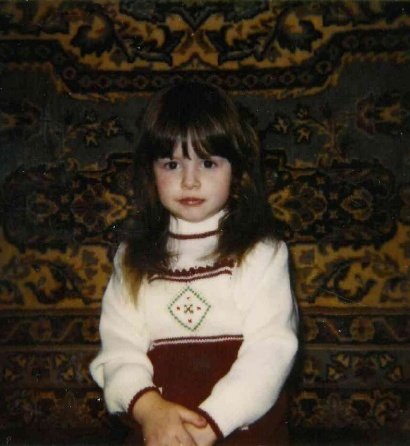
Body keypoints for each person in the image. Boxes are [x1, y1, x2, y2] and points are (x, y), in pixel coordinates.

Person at [90, 81, 298, 446]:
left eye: (208, 163)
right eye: (172, 164)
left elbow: (271, 351)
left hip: (241, 425)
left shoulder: (262, 253)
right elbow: (119, 350)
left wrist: (209, 425)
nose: (190, 181)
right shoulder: (132, 258)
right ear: (151, 173)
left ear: (237, 172)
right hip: (158, 428)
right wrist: (149, 409)